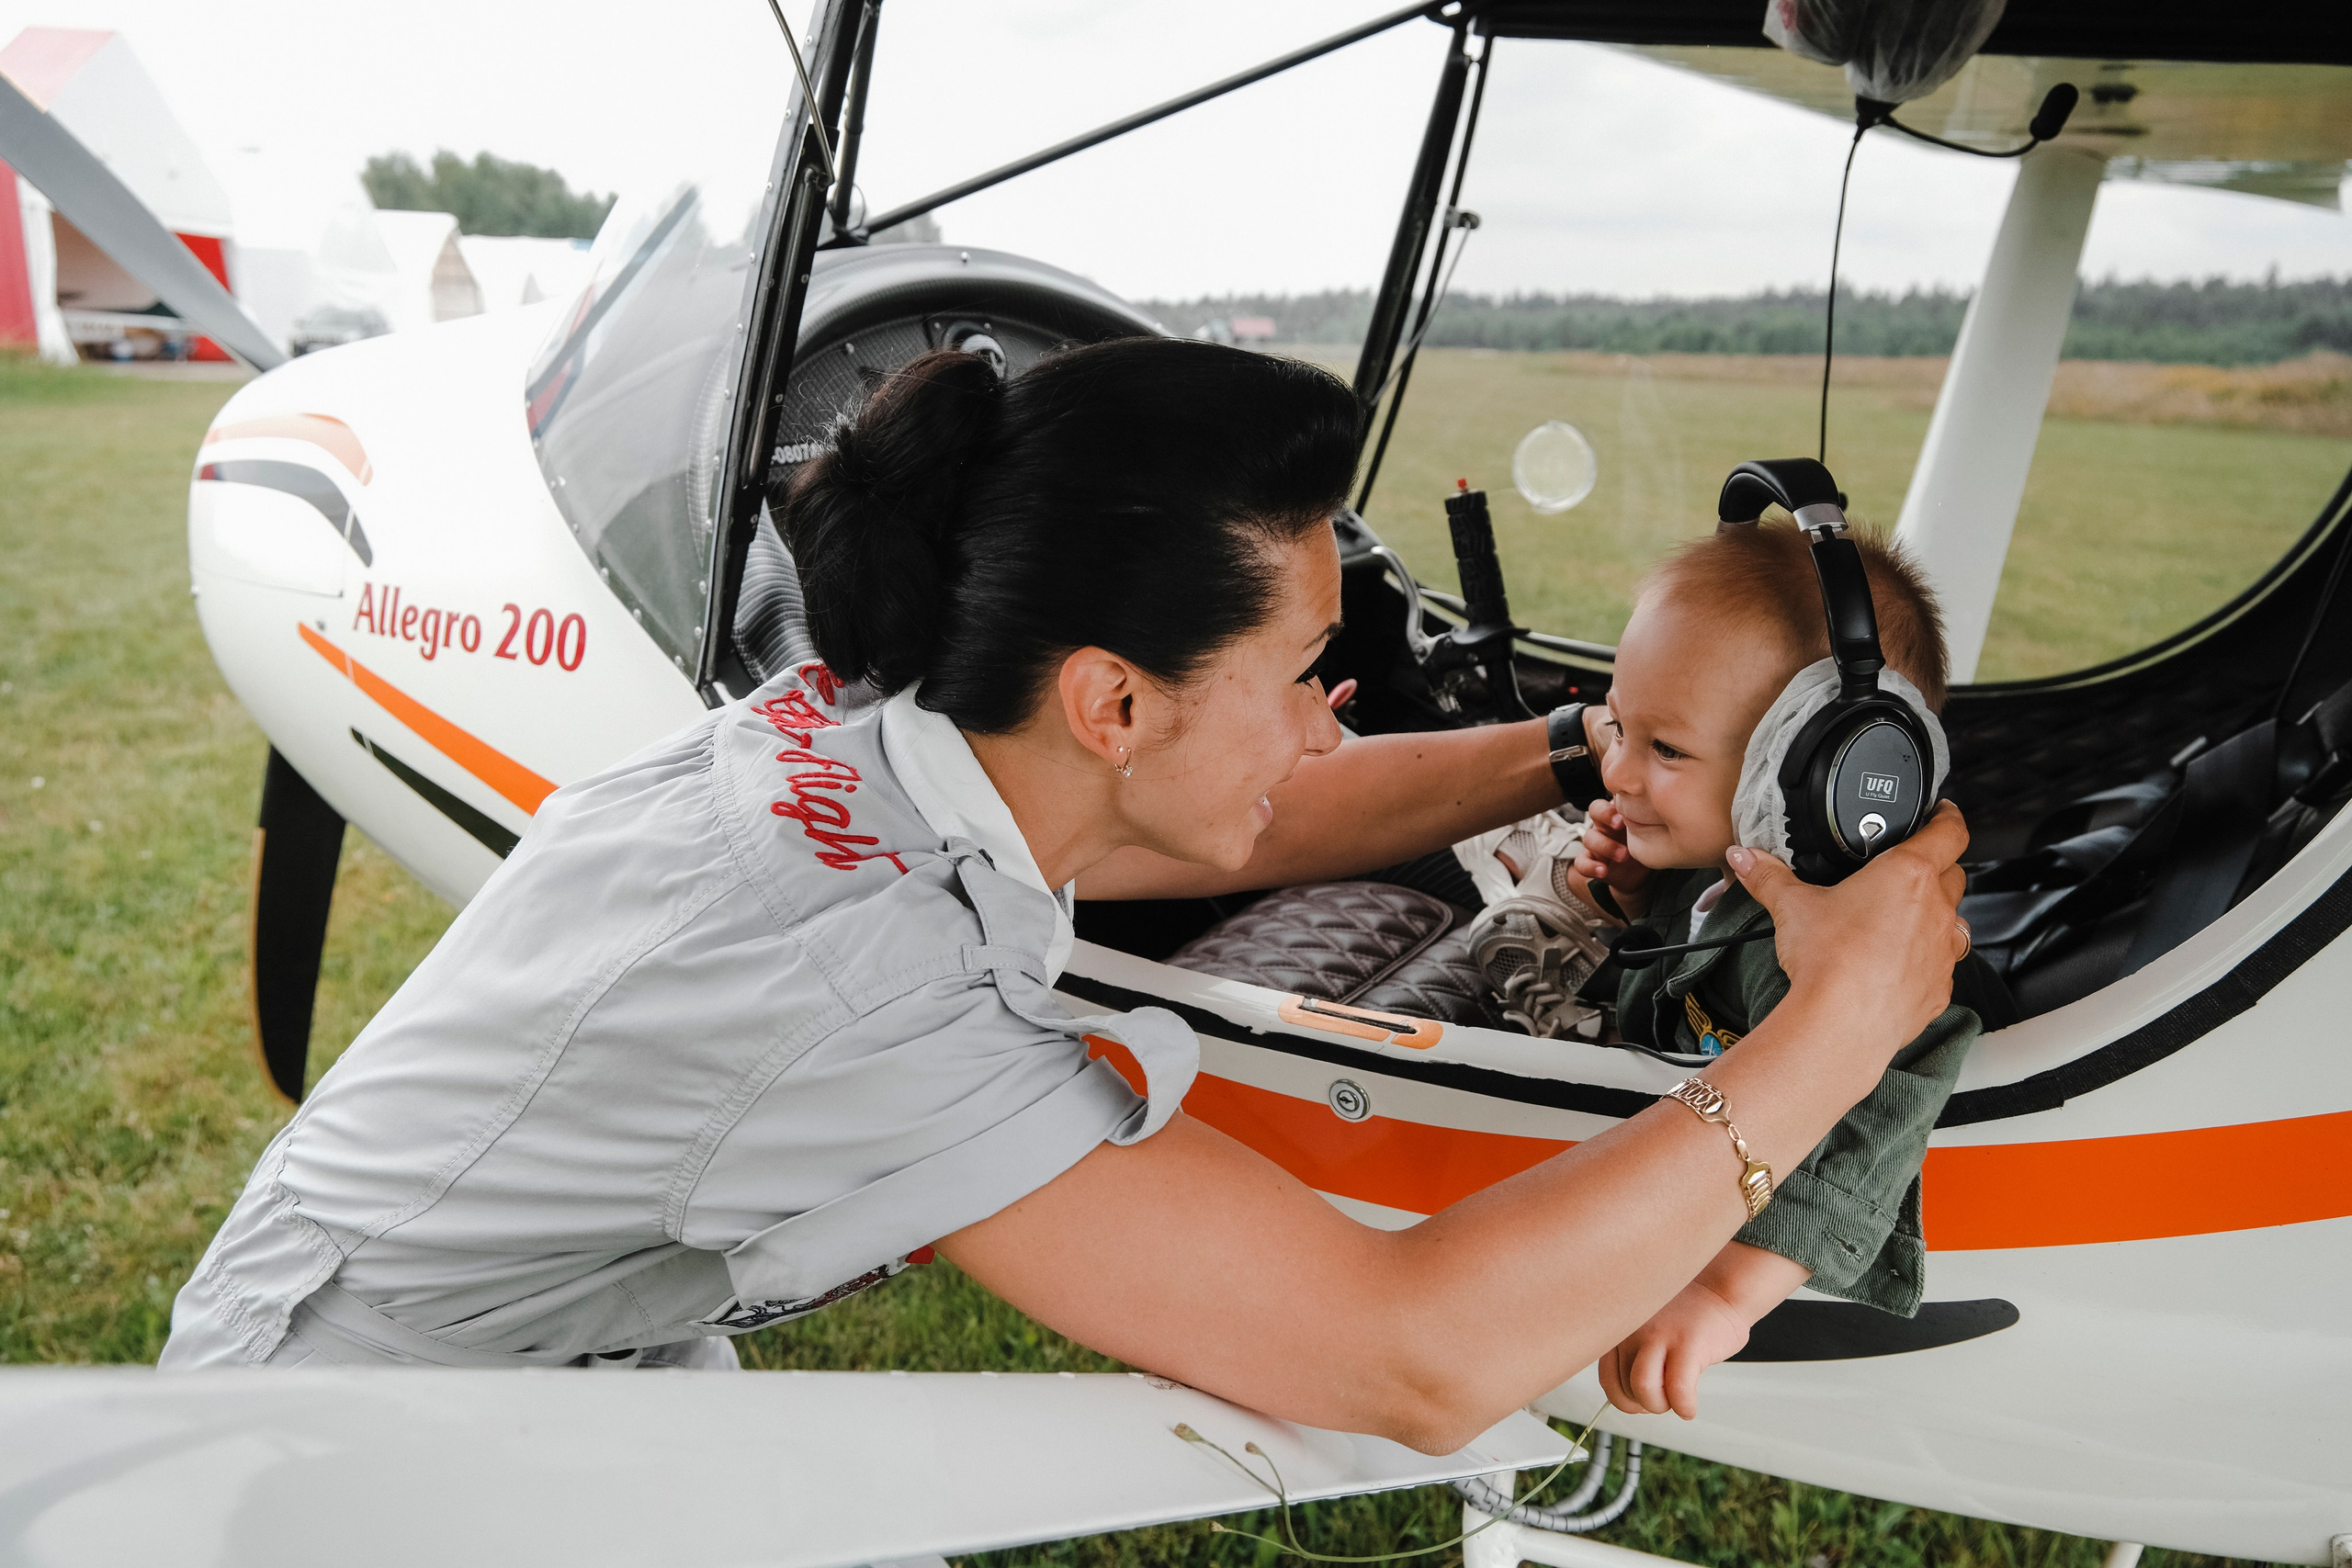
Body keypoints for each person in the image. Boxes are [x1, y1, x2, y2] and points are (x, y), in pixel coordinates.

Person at [163, 338, 1971, 1459]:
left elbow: (1243, 814)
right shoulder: (867, 994)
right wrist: (1839, 1025)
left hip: (544, 1338)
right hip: (340, 1444)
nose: (1321, 717)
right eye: (1295, 669)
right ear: (1111, 698)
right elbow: (1410, 1354)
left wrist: (1592, 750)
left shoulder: (903, 706)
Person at [1464, 521, 1998, 1422]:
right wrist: (1641, 894)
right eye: (1619, 727)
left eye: (1664, 750)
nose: (1618, 769)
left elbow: (1880, 1086)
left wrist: (1723, 1292)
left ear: (1825, 768)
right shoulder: (1740, 858)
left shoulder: (1825, 943)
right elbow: (1694, 942)